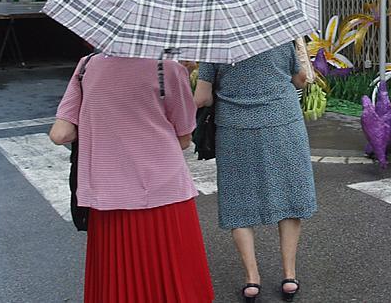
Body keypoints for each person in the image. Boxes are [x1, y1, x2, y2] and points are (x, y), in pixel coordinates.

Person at [49, 55, 213, 302]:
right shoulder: (167, 68)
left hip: (108, 195)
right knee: (172, 280)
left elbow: (60, 134)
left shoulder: (86, 65)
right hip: (163, 194)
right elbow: (183, 138)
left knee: (119, 282)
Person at [194, 43, 316, 303]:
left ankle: (252, 279)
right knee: (290, 194)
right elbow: (300, 80)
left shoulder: (215, 44)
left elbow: (202, 97)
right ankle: (289, 276)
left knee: (238, 199)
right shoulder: (277, 37)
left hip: (235, 129)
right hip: (283, 123)